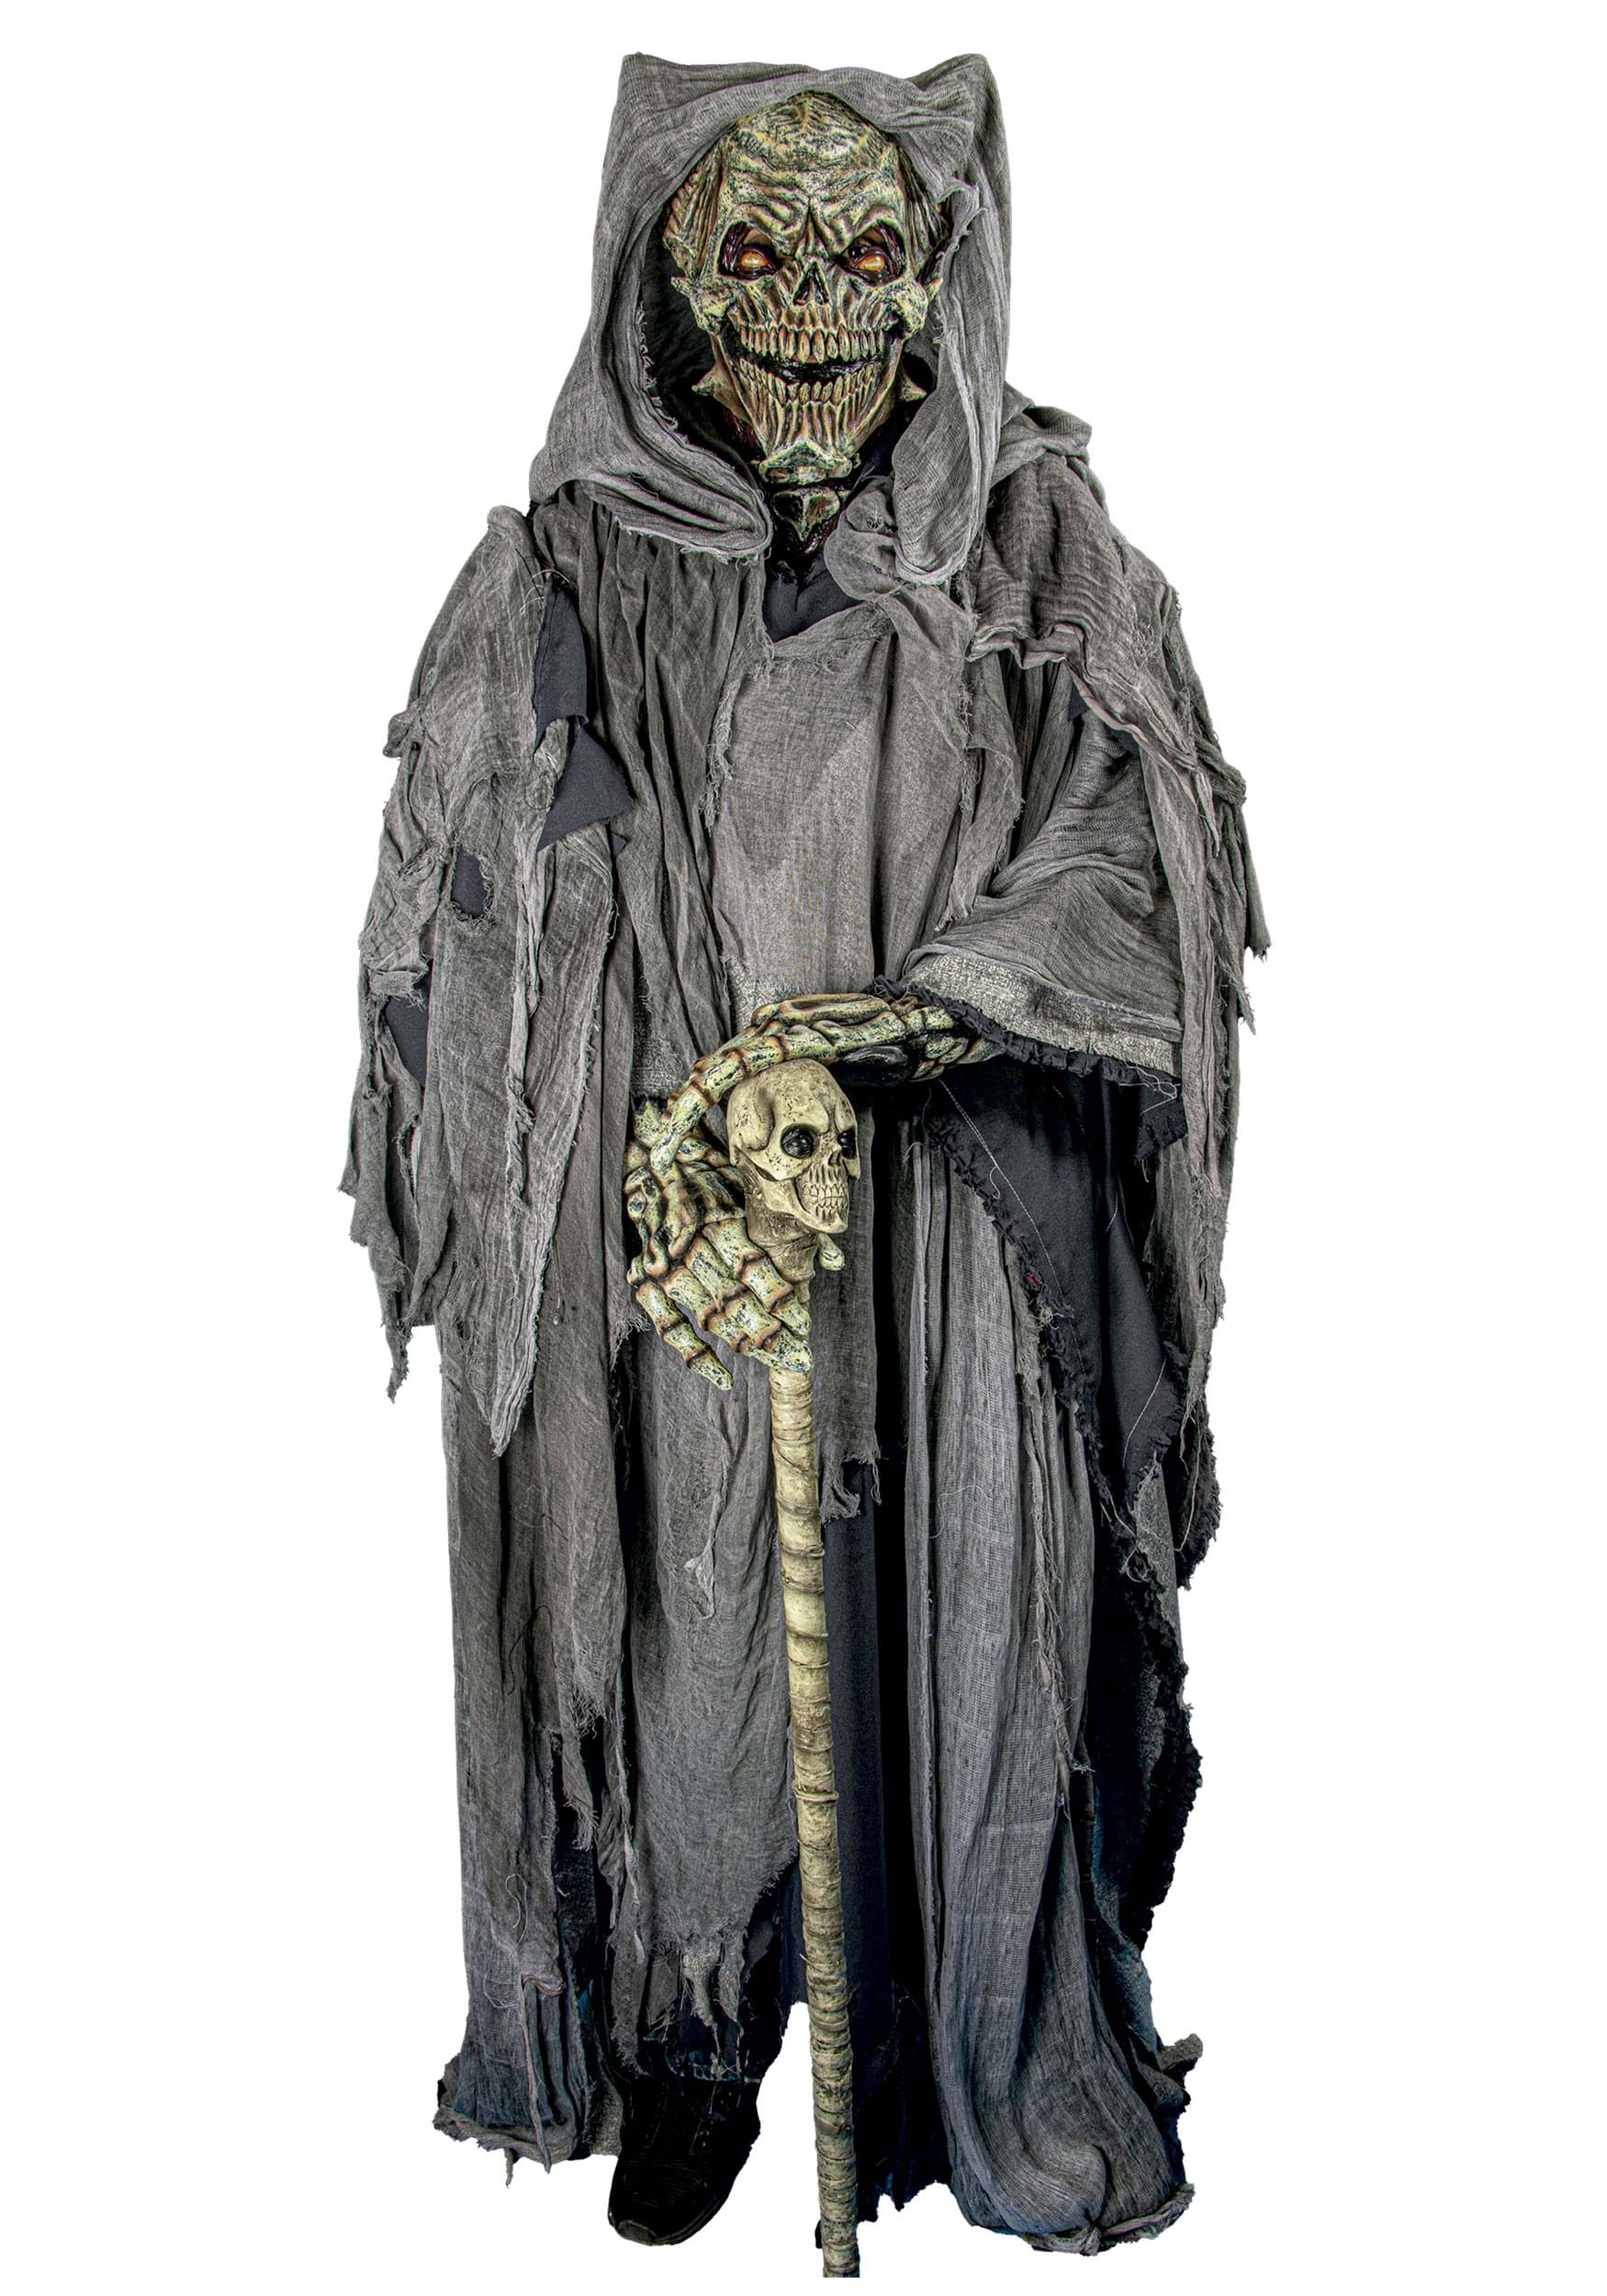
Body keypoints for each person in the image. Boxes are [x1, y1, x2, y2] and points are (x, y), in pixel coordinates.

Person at [343, 51, 1265, 2256]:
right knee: (695, 1633)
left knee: (970, 1617)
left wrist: (896, 1025)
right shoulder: (568, 567)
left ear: (936, 275)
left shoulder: (1039, 551)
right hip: (688, 1207)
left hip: (954, 1211)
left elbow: (1131, 860)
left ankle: (979, 2028)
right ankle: (695, 2030)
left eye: (867, 253)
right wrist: (656, 1091)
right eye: (755, 250)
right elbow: (460, 913)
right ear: (666, 274)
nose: (813, 311)